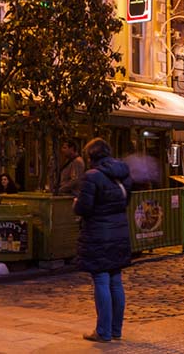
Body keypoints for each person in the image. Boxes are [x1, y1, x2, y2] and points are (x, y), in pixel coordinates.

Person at [75, 138, 133, 344]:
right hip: (119, 231)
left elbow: (84, 208)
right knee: (115, 280)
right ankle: (116, 330)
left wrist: (76, 203)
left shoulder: (92, 176)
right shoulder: (122, 174)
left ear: (91, 156)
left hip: (99, 233)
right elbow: (126, 201)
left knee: (100, 279)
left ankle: (103, 331)